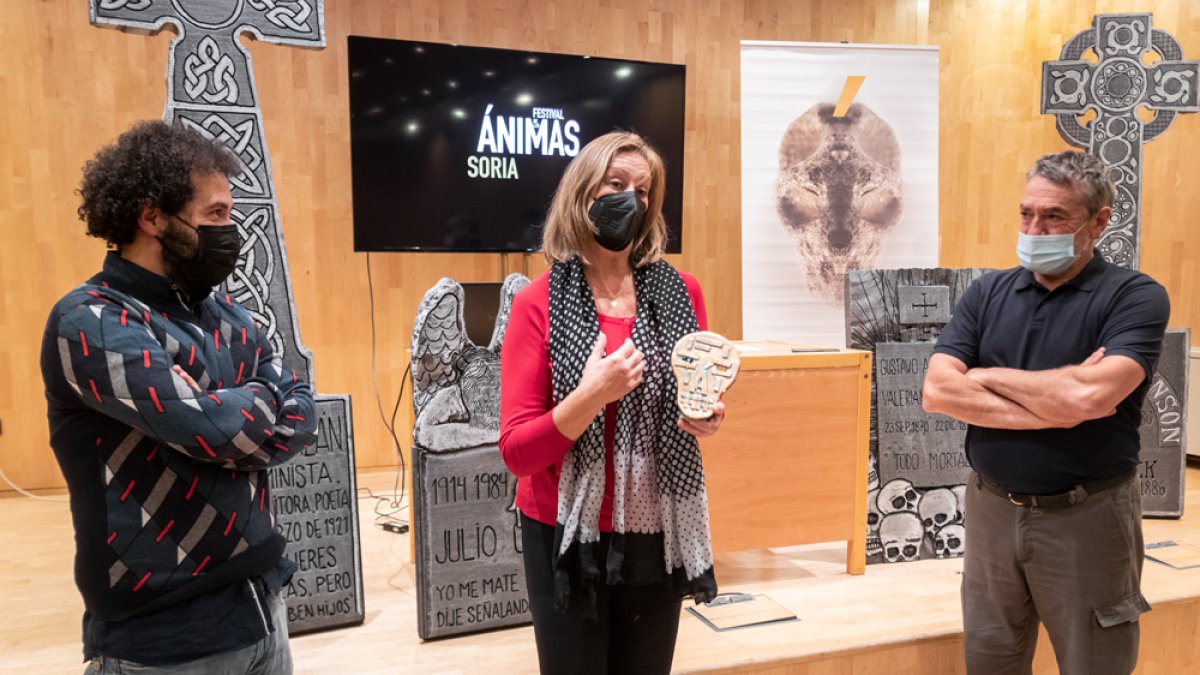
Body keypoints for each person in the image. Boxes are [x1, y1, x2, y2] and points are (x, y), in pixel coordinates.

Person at [40, 120, 317, 674]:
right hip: (163, 636)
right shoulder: (89, 319)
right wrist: (257, 397)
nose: (230, 229)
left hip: (263, 605)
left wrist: (228, 402)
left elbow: (301, 414)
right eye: (215, 214)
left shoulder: (227, 314)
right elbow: (209, 430)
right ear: (152, 217)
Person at [923, 151, 1170, 675]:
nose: (1035, 228)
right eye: (1026, 213)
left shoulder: (1134, 297)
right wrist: (1053, 404)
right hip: (991, 510)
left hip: (1087, 517)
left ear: (1099, 221)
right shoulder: (988, 292)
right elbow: (938, 391)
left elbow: (1088, 400)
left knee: (1094, 662)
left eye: (1054, 216)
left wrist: (984, 375)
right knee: (990, 660)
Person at [499, 131, 724, 675]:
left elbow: (691, 398)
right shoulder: (537, 303)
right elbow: (517, 453)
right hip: (564, 531)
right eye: (616, 184)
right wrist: (593, 394)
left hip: (655, 529)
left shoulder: (682, 292)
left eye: (643, 191)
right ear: (582, 195)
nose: (631, 200)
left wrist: (703, 416)